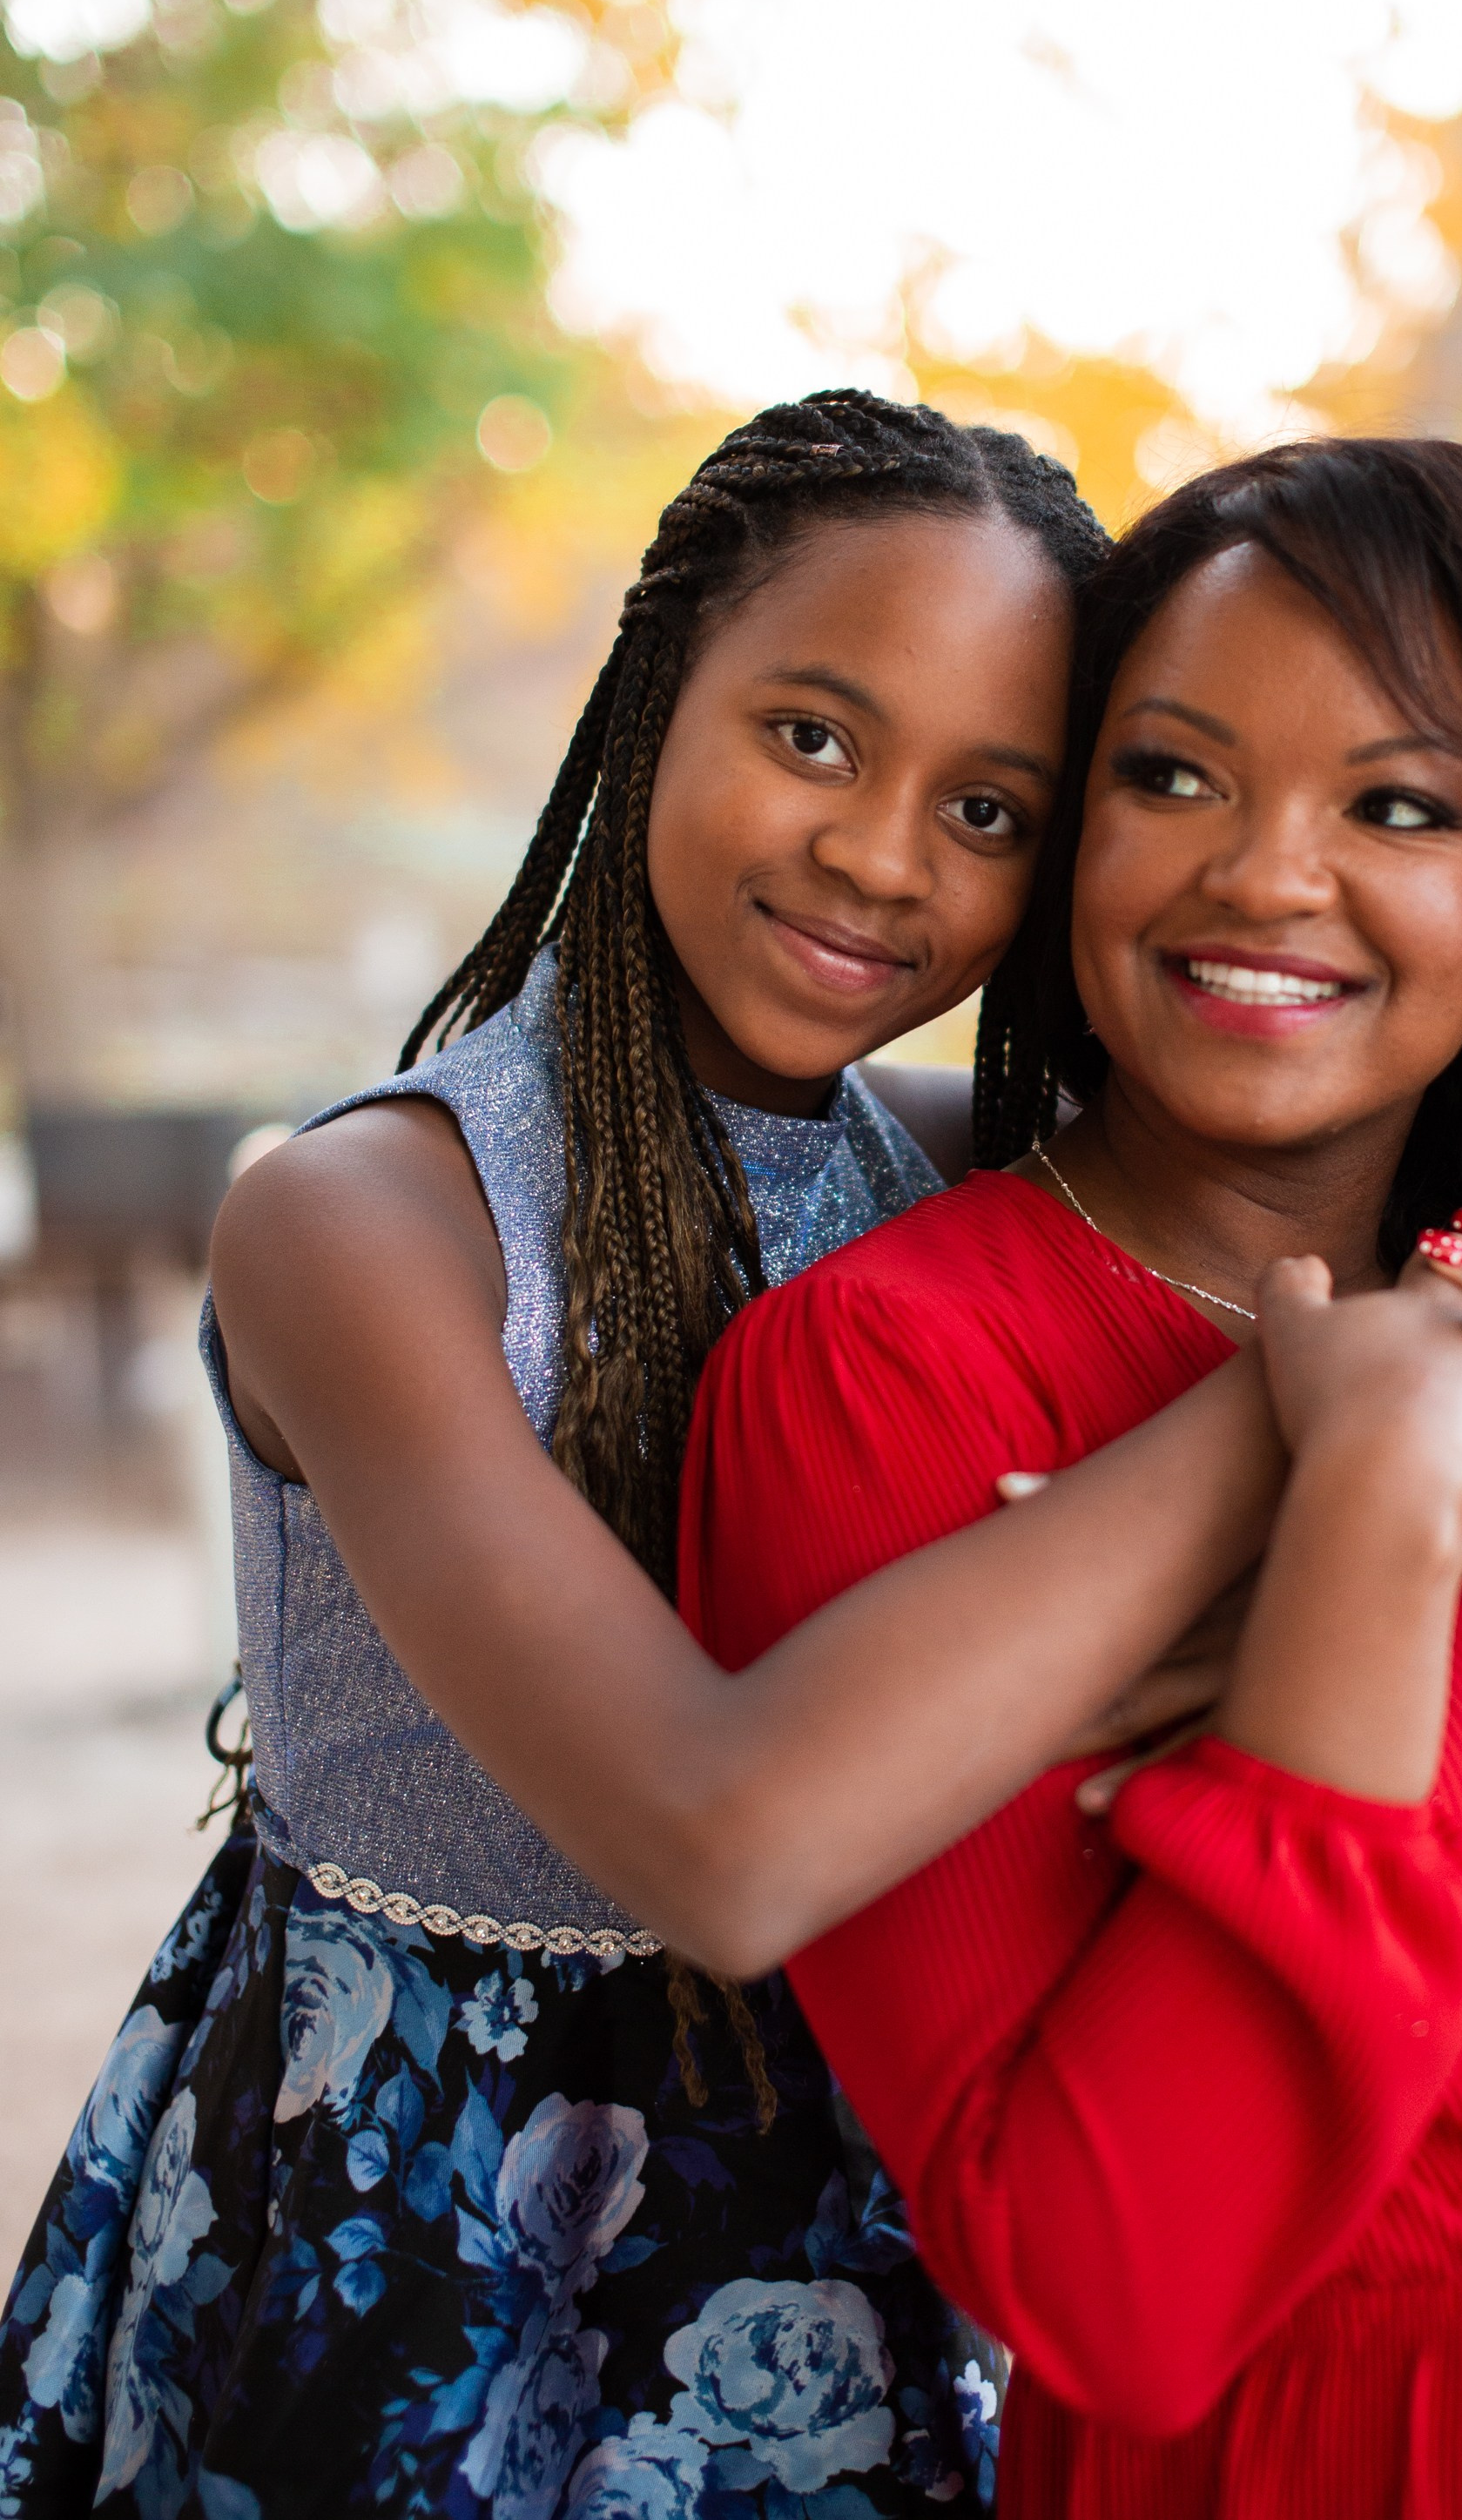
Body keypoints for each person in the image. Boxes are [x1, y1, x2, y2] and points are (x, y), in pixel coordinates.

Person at [0, 394, 1283, 2520]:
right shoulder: (375, 1223)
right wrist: (1286, 1425)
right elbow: (716, 1836)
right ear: (653, 689)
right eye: (811, 737)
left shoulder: (962, 1186)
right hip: (407, 2225)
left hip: (844, 2196)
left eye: (987, 809)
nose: (883, 856)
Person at [683, 435, 1462, 2518]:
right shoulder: (887, 1376)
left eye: (1398, 806)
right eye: (1170, 776)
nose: (1261, 875)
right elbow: (1100, 2290)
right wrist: (1364, 1512)